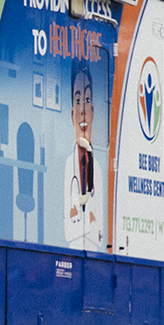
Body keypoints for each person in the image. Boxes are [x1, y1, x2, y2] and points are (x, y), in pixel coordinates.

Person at [64, 64, 102, 250]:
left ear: (93, 111)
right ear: (72, 115)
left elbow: (100, 233)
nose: (83, 111)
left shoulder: (99, 170)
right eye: (77, 101)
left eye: (87, 99)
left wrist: (80, 218)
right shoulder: (68, 165)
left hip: (94, 253)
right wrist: (87, 220)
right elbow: (68, 229)